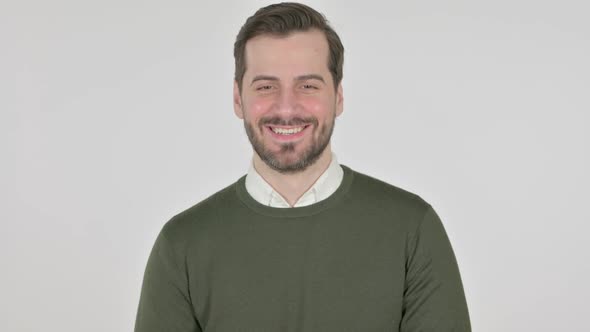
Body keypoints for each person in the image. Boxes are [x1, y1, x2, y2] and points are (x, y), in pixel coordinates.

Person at [134, 3, 471, 331]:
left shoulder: (412, 228)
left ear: (338, 96)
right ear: (238, 99)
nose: (286, 107)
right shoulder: (182, 244)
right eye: (266, 86)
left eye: (307, 86)